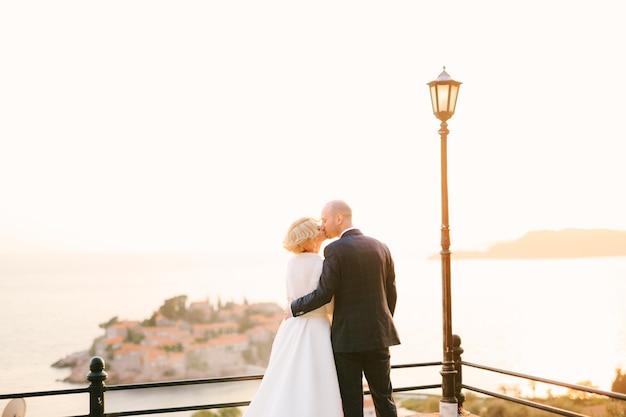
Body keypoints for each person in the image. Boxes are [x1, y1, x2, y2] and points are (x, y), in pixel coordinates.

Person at [288, 200, 401, 417]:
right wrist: (381, 324)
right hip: (379, 336)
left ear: (338, 219)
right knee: (384, 397)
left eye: (324, 219)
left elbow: (324, 293)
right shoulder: (381, 246)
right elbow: (391, 293)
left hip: (347, 341)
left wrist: (294, 307)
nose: (322, 225)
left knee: (351, 401)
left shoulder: (334, 249)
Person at [243, 217, 343, 417]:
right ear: (311, 237)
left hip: (291, 326)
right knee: (317, 380)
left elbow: (292, 297)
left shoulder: (291, 264)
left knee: (286, 377)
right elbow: (327, 301)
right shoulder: (322, 264)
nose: (321, 228)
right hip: (316, 328)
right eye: (317, 228)